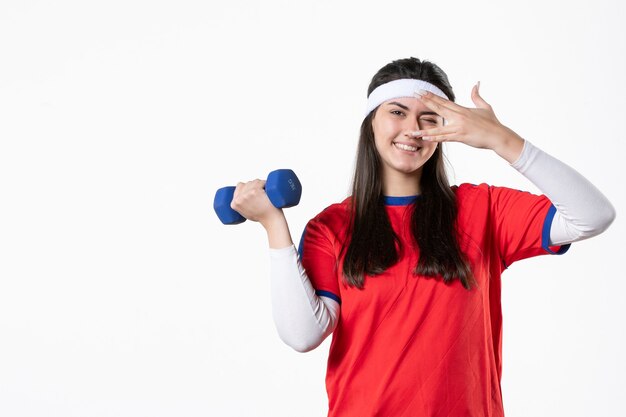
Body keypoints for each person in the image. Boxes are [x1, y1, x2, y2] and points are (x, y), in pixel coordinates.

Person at [229, 57, 616, 416]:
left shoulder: (483, 209)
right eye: (397, 112)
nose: (412, 128)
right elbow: (302, 335)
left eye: (429, 119)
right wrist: (274, 226)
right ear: (372, 123)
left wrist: (501, 139)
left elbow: (593, 216)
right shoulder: (332, 226)